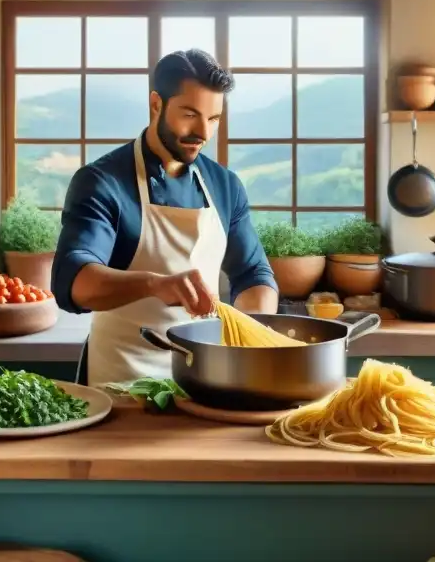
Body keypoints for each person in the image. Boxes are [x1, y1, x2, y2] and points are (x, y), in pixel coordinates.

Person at [52, 48, 279, 386]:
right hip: (121, 381)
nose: (202, 131)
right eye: (189, 114)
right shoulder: (103, 182)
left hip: (207, 377)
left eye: (213, 119)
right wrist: (154, 284)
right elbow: (73, 281)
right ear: (156, 104)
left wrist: (248, 333)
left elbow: (253, 273)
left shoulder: (224, 185)